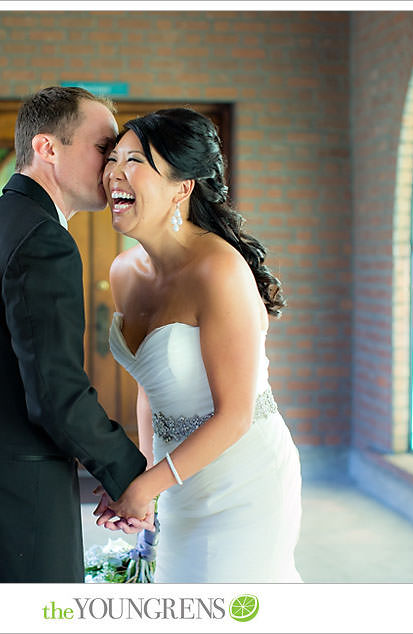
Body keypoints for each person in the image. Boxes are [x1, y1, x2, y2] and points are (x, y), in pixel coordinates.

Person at [0, 86, 152, 583]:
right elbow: (56, 393)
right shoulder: (42, 240)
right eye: (104, 148)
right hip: (6, 516)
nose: (113, 167)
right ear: (47, 149)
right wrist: (131, 474)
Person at [92, 108, 303, 582]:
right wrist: (145, 481)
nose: (114, 173)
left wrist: (147, 486)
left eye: (136, 160)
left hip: (244, 481)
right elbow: (150, 388)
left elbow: (235, 416)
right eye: (113, 158)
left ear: (182, 188)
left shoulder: (219, 271)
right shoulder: (124, 273)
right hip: (177, 477)